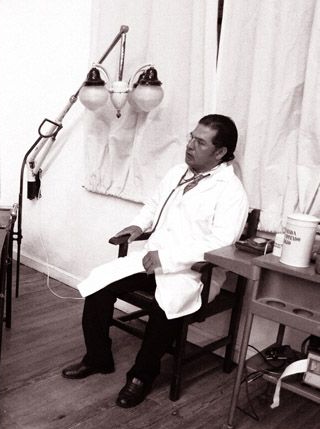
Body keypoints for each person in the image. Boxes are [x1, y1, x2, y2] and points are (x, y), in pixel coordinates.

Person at [62, 114, 249, 407]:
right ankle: (98, 358)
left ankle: (142, 376)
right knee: (99, 284)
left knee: (166, 306)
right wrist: (138, 225)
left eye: (200, 142)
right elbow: (153, 205)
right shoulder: (178, 173)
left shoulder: (232, 192)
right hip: (152, 259)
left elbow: (221, 244)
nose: (190, 145)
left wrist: (169, 258)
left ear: (220, 152)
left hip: (192, 272)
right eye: (191, 137)